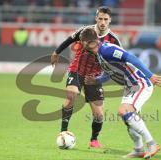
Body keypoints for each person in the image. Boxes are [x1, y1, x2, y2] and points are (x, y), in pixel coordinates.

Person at [81, 27, 161, 159]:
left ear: (87, 42)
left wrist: (150, 75)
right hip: (130, 86)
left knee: (124, 111)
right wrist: (96, 80)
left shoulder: (107, 50)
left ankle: (152, 144)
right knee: (128, 118)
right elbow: (109, 73)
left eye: (82, 42)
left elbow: (132, 58)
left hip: (140, 83)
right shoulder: (99, 54)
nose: (82, 45)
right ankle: (138, 149)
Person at [51, 6, 122, 148]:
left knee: (99, 115)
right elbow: (69, 40)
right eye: (100, 18)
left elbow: (118, 62)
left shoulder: (113, 40)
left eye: (105, 19)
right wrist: (56, 52)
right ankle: (63, 131)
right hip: (77, 69)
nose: (102, 22)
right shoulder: (85, 31)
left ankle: (94, 140)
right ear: (96, 18)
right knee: (72, 94)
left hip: (94, 76)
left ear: (110, 20)